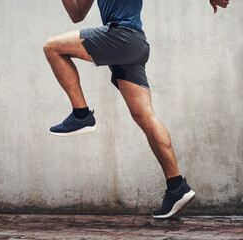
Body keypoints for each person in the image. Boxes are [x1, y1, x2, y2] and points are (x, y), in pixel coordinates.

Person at [43, 0, 229, 218]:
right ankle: (177, 186)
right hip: (130, 45)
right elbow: (77, 13)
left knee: (52, 47)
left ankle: (81, 115)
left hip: (122, 36)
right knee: (145, 116)